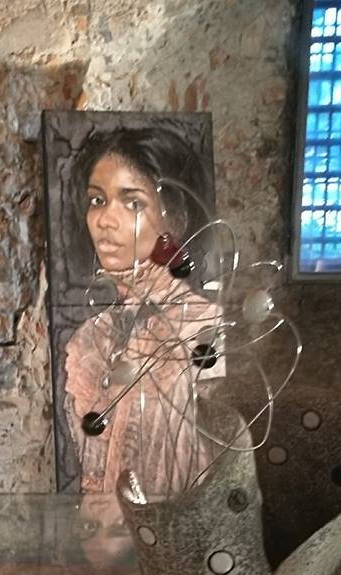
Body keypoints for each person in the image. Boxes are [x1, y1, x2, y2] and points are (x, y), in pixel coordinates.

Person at [63, 127, 225, 499]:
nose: (105, 220)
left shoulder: (204, 325)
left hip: (179, 524)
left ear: (175, 220)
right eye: (97, 200)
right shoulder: (90, 339)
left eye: (133, 203)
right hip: (101, 530)